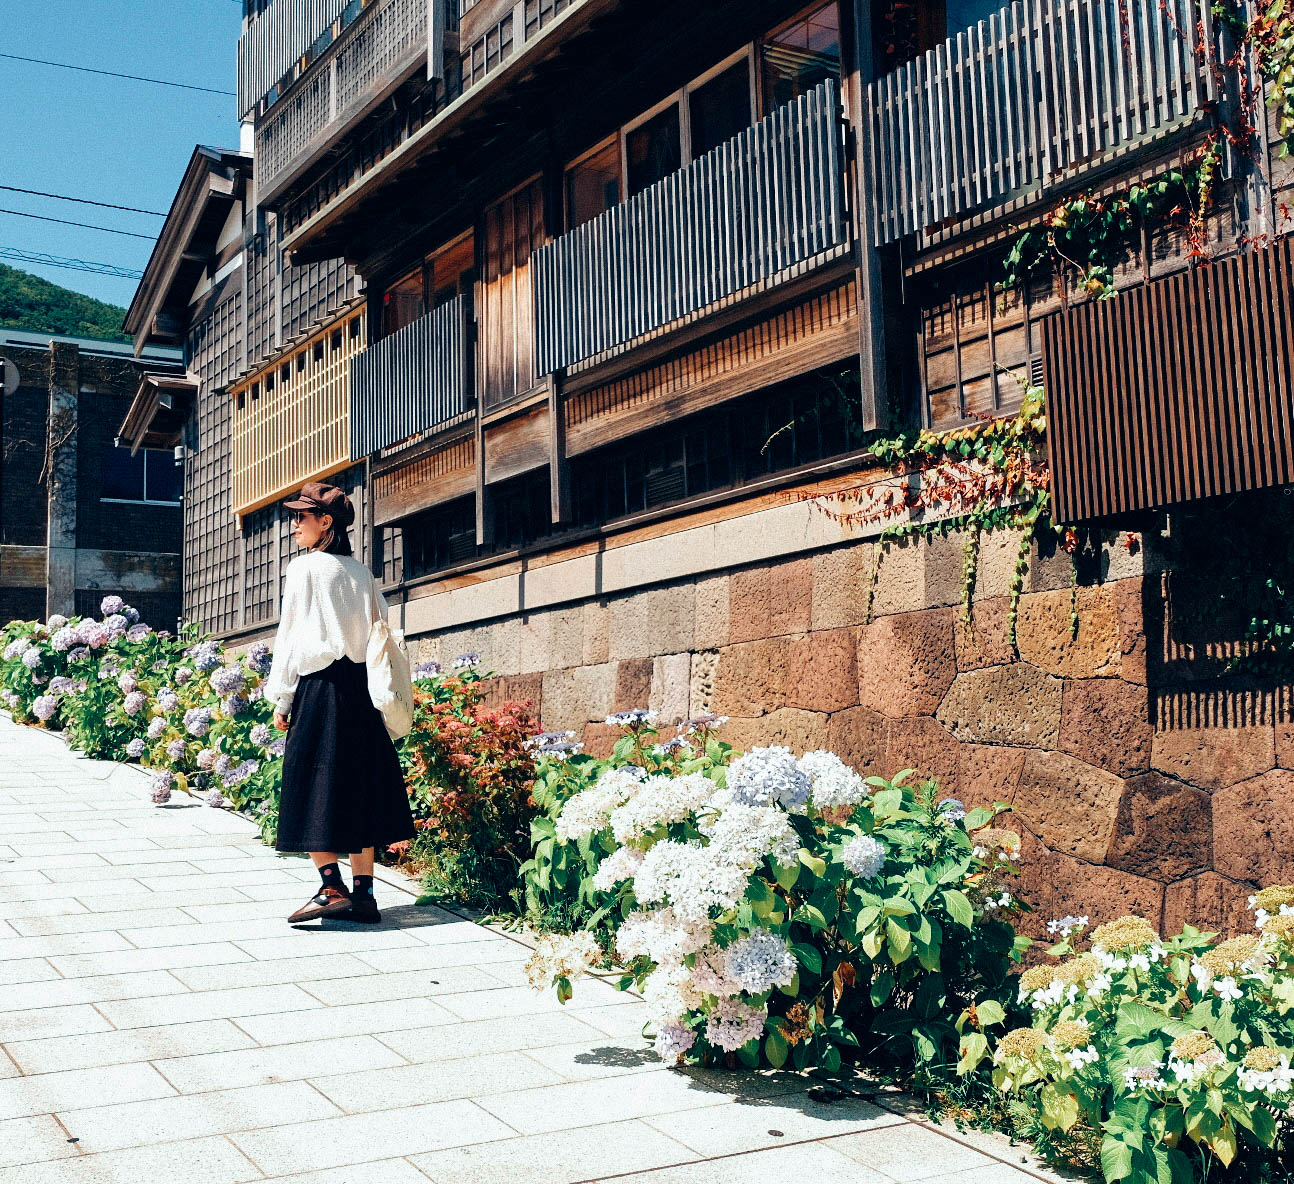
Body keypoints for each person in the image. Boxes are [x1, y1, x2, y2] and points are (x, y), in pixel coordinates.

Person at [262, 481, 415, 925]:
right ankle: (364, 897)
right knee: (359, 789)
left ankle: (332, 887)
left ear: (325, 522)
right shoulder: (361, 573)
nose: (293, 526)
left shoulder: (303, 569)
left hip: (320, 688)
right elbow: (378, 631)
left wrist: (282, 697)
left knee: (309, 786)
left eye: (300, 517)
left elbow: (289, 637)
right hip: (360, 692)